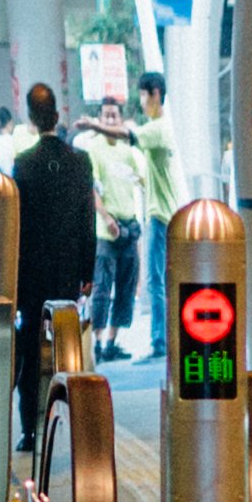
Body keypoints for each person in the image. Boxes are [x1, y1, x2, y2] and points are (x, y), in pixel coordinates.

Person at [9, 80, 99, 439]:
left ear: (31, 118)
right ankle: (68, 418)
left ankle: (30, 427)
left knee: (31, 345)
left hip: (31, 271)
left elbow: (19, 225)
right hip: (67, 269)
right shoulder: (80, 162)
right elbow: (86, 217)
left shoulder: (23, 165)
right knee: (66, 340)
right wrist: (87, 271)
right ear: (58, 115)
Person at [81, 92, 153, 358]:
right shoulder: (94, 149)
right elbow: (92, 188)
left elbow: (142, 179)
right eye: (106, 114)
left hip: (129, 226)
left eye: (114, 115)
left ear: (121, 119)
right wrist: (105, 218)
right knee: (101, 288)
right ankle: (97, 344)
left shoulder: (128, 151)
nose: (110, 118)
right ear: (100, 118)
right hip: (105, 230)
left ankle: (112, 342)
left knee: (125, 287)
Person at [135, 70, 183, 318]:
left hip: (159, 215)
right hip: (165, 212)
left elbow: (128, 136)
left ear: (155, 94)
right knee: (161, 277)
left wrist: (94, 125)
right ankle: (164, 338)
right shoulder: (164, 128)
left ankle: (159, 340)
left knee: (156, 280)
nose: (141, 101)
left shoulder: (157, 128)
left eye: (143, 94)